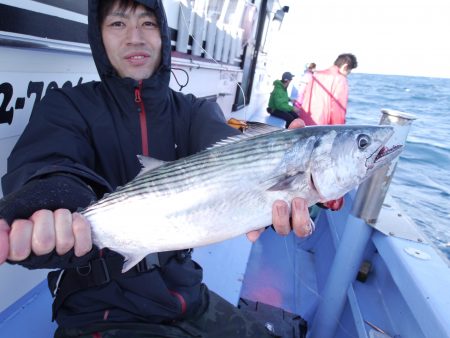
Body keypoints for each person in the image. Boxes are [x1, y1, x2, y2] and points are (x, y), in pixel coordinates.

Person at [0, 0, 313, 337]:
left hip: (184, 291)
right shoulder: (68, 106)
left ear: (163, 35)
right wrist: (52, 198)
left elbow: (231, 156)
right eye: (118, 24)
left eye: (148, 23)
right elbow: (47, 161)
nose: (135, 37)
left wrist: (275, 161)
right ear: (99, 37)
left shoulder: (193, 111)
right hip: (100, 305)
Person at [300, 53, 358, 126]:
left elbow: (305, 98)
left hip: (305, 121)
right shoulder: (340, 79)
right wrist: (338, 131)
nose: (348, 74)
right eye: (349, 71)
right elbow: (338, 110)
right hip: (322, 127)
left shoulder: (316, 74)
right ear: (345, 67)